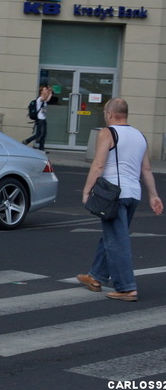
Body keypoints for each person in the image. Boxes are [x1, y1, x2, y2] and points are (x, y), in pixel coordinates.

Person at [77, 98, 163, 302]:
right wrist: (153, 195)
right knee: (113, 234)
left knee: (117, 240)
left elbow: (98, 165)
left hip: (113, 194)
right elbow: (146, 169)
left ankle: (126, 288)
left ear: (109, 113)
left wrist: (87, 191)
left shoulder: (107, 133)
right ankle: (95, 276)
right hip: (133, 194)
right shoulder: (140, 136)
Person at [22, 85, 52, 153]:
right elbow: (45, 98)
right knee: (39, 134)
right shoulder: (40, 99)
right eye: (45, 90)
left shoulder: (44, 100)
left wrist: (50, 92)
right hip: (40, 119)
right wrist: (48, 92)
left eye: (46, 90)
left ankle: (41, 149)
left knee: (44, 134)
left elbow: (48, 99)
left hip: (43, 119)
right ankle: (27, 141)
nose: (46, 90)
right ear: (41, 91)